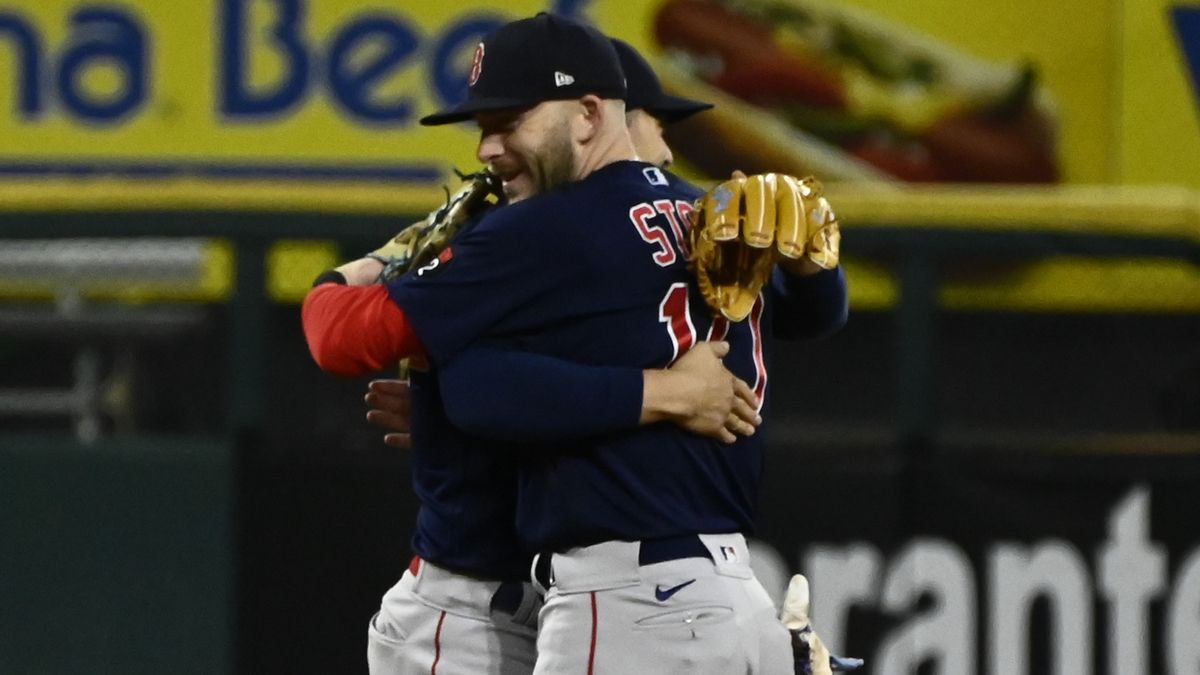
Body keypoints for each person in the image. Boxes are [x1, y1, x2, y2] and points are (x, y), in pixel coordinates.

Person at [320, 12, 847, 675]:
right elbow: (819, 314)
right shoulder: (712, 222)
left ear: (593, 114)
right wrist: (814, 266)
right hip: (722, 593)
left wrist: (363, 279)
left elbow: (472, 386)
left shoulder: (545, 227)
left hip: (626, 599)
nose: (661, 141)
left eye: (507, 123)